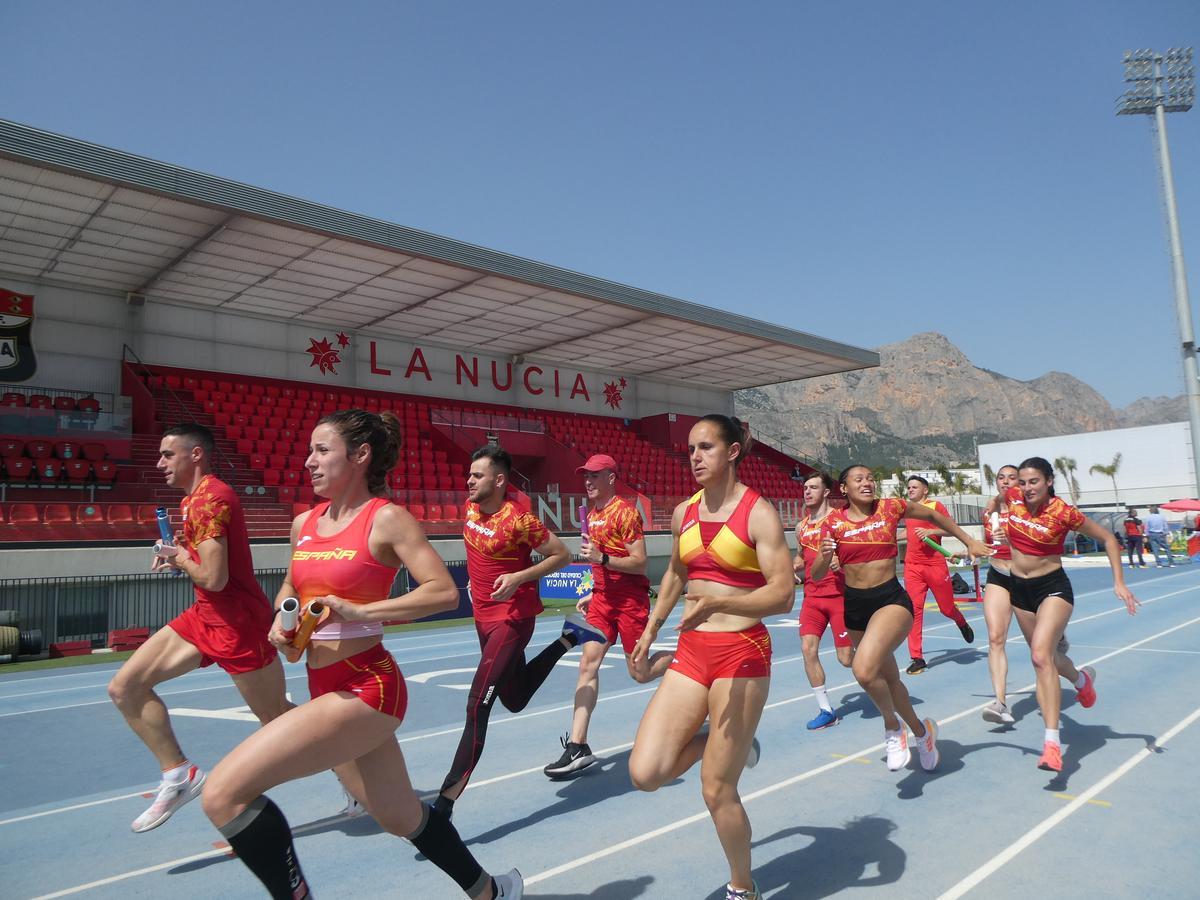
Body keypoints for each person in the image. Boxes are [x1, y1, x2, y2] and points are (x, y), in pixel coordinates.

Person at [201, 410, 522, 899]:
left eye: (322, 450)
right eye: (309, 451)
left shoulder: (386, 518)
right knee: (400, 817)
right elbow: (292, 585)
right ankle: (492, 892)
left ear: (360, 456)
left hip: (367, 687)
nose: (309, 461)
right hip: (323, 684)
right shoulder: (304, 523)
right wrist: (283, 622)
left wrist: (361, 610)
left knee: (223, 793)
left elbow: (442, 592)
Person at [628, 415, 793, 900]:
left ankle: (743, 887)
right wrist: (650, 630)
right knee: (646, 774)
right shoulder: (684, 512)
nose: (695, 458)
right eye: (690, 450)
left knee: (716, 788)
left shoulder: (759, 514)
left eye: (706, 447)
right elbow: (676, 575)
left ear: (733, 451)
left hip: (742, 653)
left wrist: (724, 603)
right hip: (692, 651)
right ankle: (723, 743)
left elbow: (783, 595)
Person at [108, 423, 288, 833]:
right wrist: (179, 553)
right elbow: (206, 571)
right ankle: (179, 775)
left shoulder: (210, 499)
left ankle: (351, 767)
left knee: (278, 722)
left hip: (238, 624)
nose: (159, 463)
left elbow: (213, 577)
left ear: (195, 455)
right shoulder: (192, 499)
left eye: (167, 455)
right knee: (125, 688)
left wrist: (181, 558)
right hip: (205, 615)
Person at [434, 445, 607, 817]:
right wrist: (477, 582)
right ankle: (570, 637)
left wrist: (518, 577)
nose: (469, 481)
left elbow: (561, 555)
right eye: (469, 474)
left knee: (477, 705)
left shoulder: (519, 520)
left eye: (477, 475)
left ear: (499, 480)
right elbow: (479, 553)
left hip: (511, 620)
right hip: (482, 617)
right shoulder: (471, 508)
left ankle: (444, 803)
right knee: (514, 699)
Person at [811, 465, 990, 773]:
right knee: (890, 681)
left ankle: (892, 728)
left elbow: (933, 515)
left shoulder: (891, 507)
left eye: (870, 478)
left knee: (863, 670)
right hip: (855, 606)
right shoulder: (833, 523)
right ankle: (922, 733)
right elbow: (814, 575)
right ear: (844, 488)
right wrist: (825, 557)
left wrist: (968, 540)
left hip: (890, 600)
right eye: (859, 479)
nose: (867, 483)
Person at [1000, 457, 1139, 773]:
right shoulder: (1012, 498)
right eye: (1022, 482)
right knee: (1048, 658)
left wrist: (1119, 583)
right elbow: (998, 501)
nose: (1027, 488)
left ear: (1049, 481)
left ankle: (1052, 745)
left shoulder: (1063, 512)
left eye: (1034, 481)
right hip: (1018, 590)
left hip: (1052, 588)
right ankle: (1081, 679)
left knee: (1039, 658)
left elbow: (1108, 539)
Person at [544, 454, 673, 779]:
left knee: (640, 672)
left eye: (594, 475)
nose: (587, 481)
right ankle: (578, 745)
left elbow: (639, 562)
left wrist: (602, 559)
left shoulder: (625, 512)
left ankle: (684, 661)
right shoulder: (591, 515)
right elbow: (598, 565)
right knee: (587, 665)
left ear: (611, 478)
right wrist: (592, 590)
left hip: (629, 601)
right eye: (585, 476)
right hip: (602, 600)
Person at [981, 466, 1084, 725]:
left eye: (1012, 478)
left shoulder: (1027, 510)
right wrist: (974, 550)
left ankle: (1078, 678)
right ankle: (1000, 703)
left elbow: (1035, 544)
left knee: (1041, 654)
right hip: (997, 575)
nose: (1006, 482)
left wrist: (1011, 540)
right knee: (995, 638)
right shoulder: (989, 512)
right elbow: (988, 544)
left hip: (1027, 580)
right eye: (1001, 478)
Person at [793, 471, 853, 730]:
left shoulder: (840, 520)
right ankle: (826, 710)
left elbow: (856, 554)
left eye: (813, 487)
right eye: (805, 487)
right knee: (808, 649)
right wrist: (796, 564)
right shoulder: (801, 527)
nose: (807, 491)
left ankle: (875, 663)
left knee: (846, 659)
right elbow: (800, 555)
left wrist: (843, 562)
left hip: (839, 597)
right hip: (812, 598)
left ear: (827, 492)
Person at [898, 476, 974, 675]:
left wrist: (930, 531)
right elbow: (909, 532)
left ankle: (960, 621)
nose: (910, 490)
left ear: (925, 490)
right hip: (912, 566)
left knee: (946, 608)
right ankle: (917, 658)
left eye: (914, 487)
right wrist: (892, 537)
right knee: (913, 611)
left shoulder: (935, 506)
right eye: (909, 487)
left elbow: (951, 529)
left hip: (935, 565)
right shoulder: (908, 509)